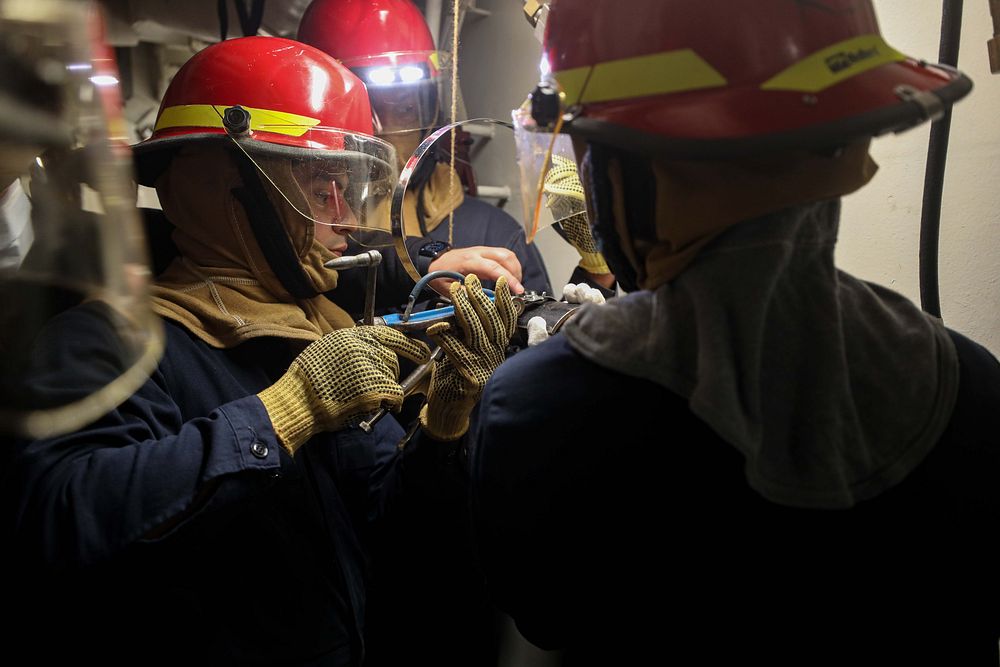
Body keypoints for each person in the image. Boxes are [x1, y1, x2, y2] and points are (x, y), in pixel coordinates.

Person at [469, 1, 1000, 665]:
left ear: (632, 165)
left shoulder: (534, 414)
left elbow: (543, 616)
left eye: (589, 149)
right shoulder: (976, 391)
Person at [3, 32, 514, 666]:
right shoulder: (101, 339)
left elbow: (387, 525)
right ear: (227, 183)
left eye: (349, 185)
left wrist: (443, 428)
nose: (346, 216)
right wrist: (285, 411)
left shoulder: (319, 322)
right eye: (318, 182)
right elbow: (60, 520)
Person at [297, 0, 552, 316]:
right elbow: (322, 265)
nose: (383, 133)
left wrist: (596, 275)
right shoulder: (297, 229)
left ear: (430, 113)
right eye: (358, 113)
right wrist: (427, 263)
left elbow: (543, 345)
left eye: (404, 110)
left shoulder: (494, 236)